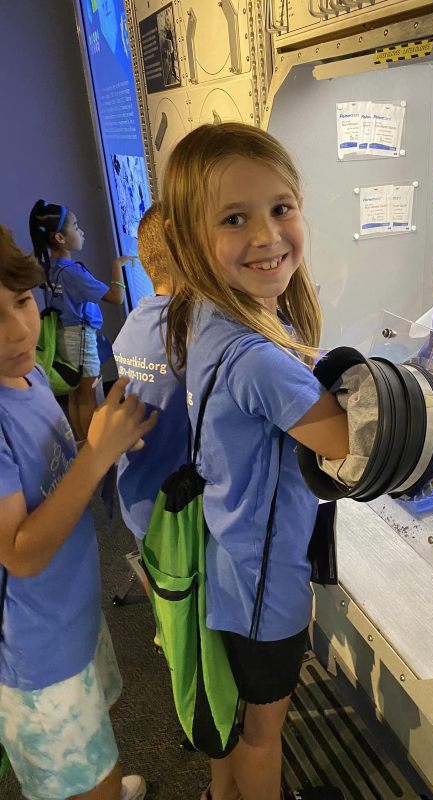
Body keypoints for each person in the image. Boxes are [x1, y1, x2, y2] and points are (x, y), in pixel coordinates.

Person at [161, 122, 352, 800]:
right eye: (236, 219)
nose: (269, 236)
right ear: (190, 238)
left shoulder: (210, 314)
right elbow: (348, 444)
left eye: (281, 208)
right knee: (263, 736)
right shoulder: (260, 358)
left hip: (229, 562)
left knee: (230, 721)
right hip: (267, 588)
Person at [0, 224, 156, 800]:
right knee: (84, 781)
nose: (19, 330)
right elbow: (20, 552)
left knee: (96, 750)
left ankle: (104, 782)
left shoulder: (30, 374)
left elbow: (60, 473)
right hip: (35, 650)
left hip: (69, 612)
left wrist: (103, 440)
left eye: (20, 303)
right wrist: (97, 454)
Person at [113, 203, 186, 597]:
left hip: (138, 495)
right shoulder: (192, 333)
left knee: (167, 597)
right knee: (187, 609)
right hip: (179, 512)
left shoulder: (135, 323)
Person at [29, 199, 132, 440]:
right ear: (60, 238)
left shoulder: (49, 267)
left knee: (76, 394)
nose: (81, 231)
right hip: (81, 339)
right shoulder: (73, 271)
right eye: (75, 227)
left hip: (65, 336)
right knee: (88, 396)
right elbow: (115, 297)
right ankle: (93, 448)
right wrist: (118, 266)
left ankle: (81, 441)